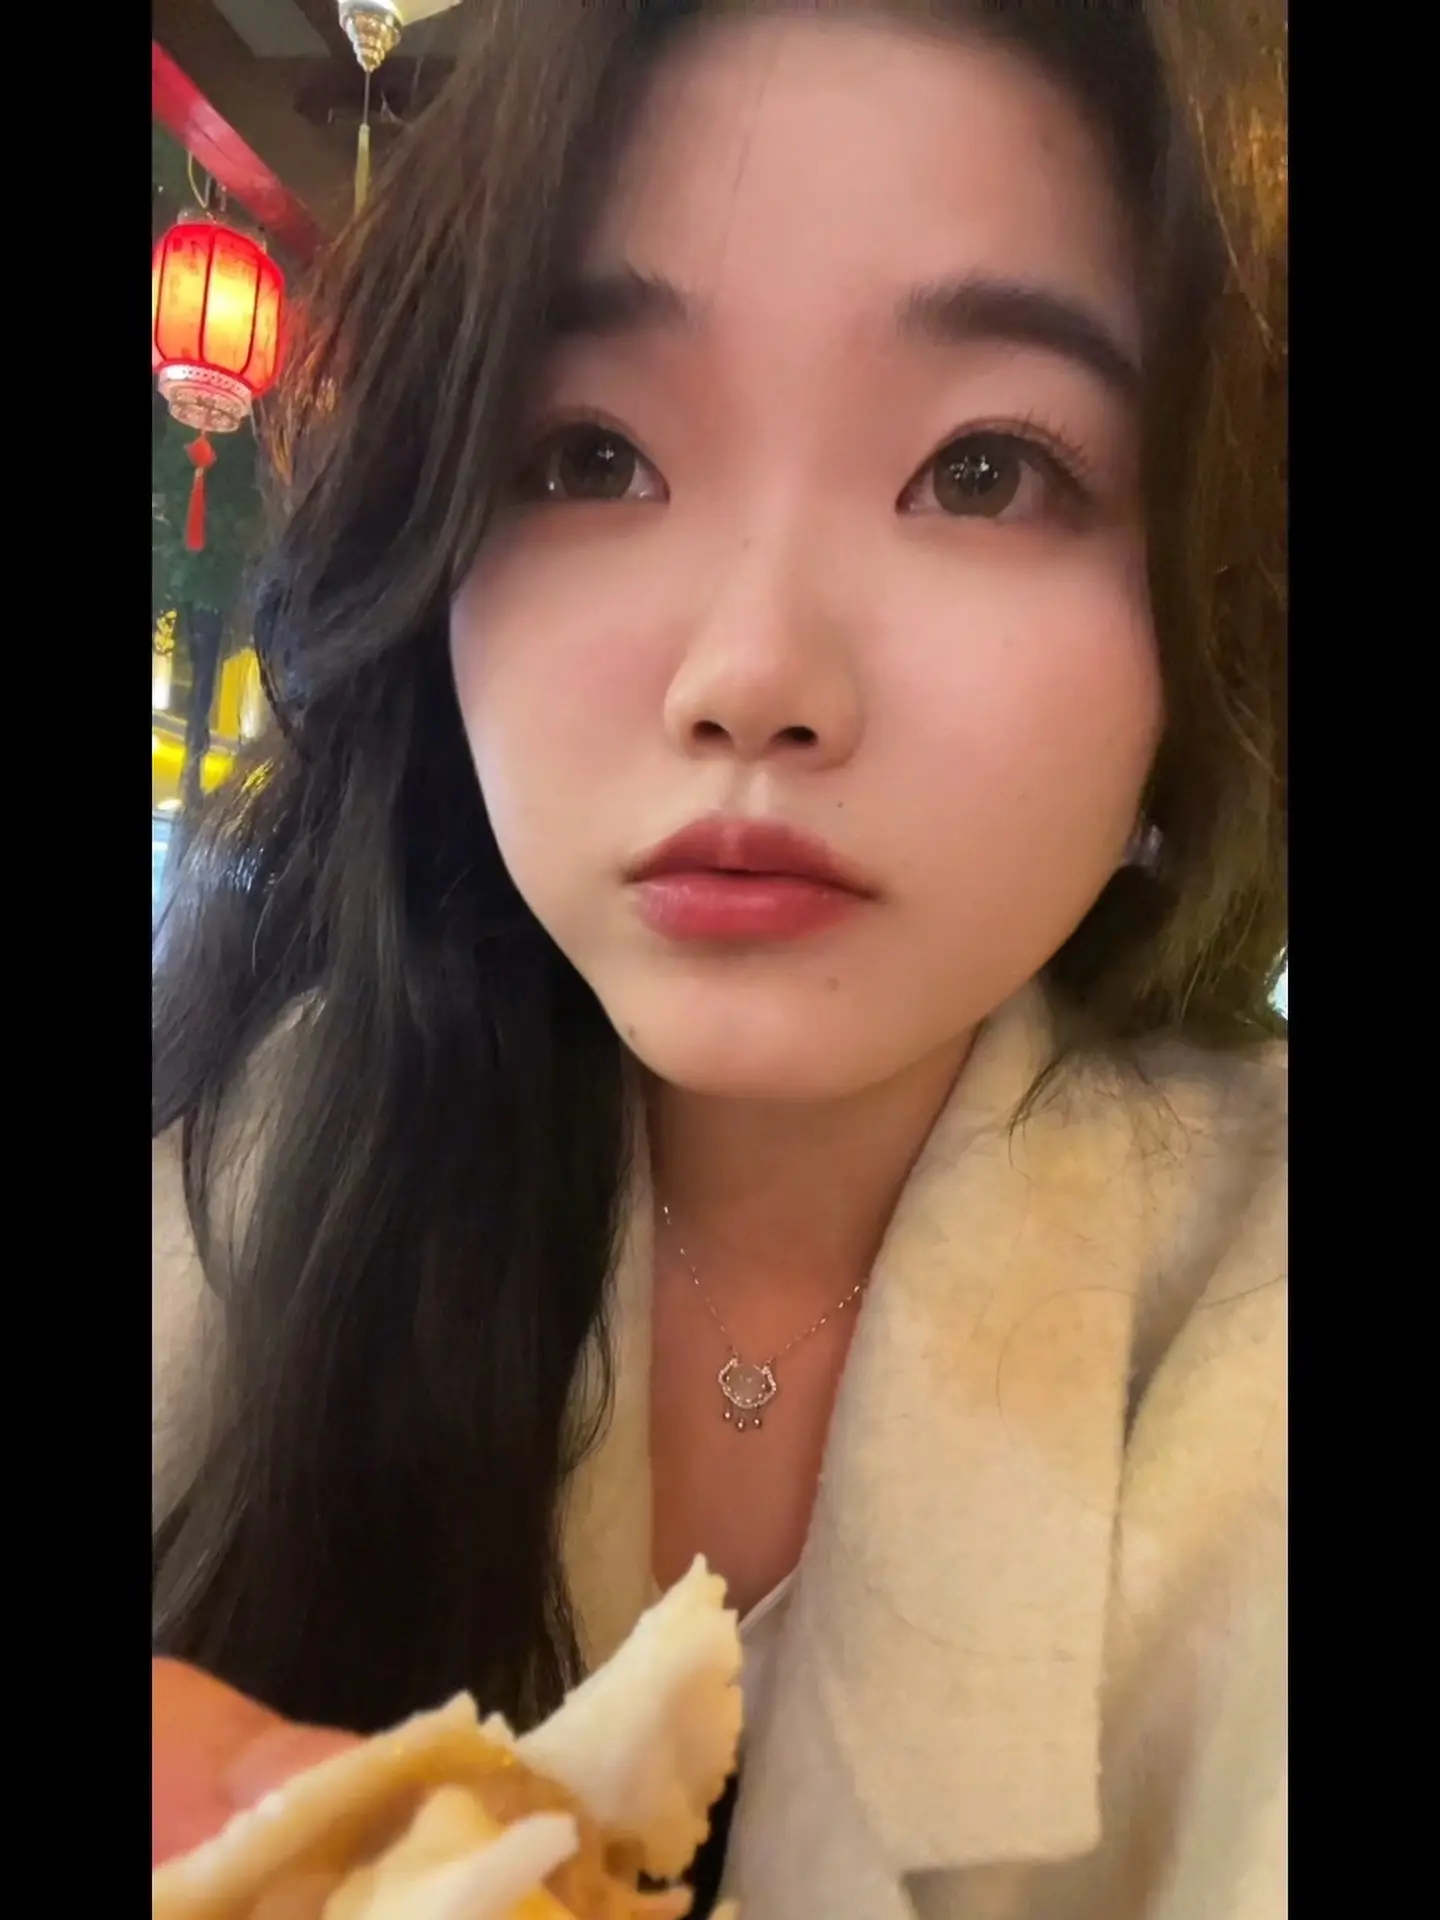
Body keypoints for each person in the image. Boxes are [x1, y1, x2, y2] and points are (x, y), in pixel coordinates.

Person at [152, 1, 1287, 1914]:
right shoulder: (231, 1176)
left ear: (1207, 604)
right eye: (591, 454)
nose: (752, 673)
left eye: (985, 471)